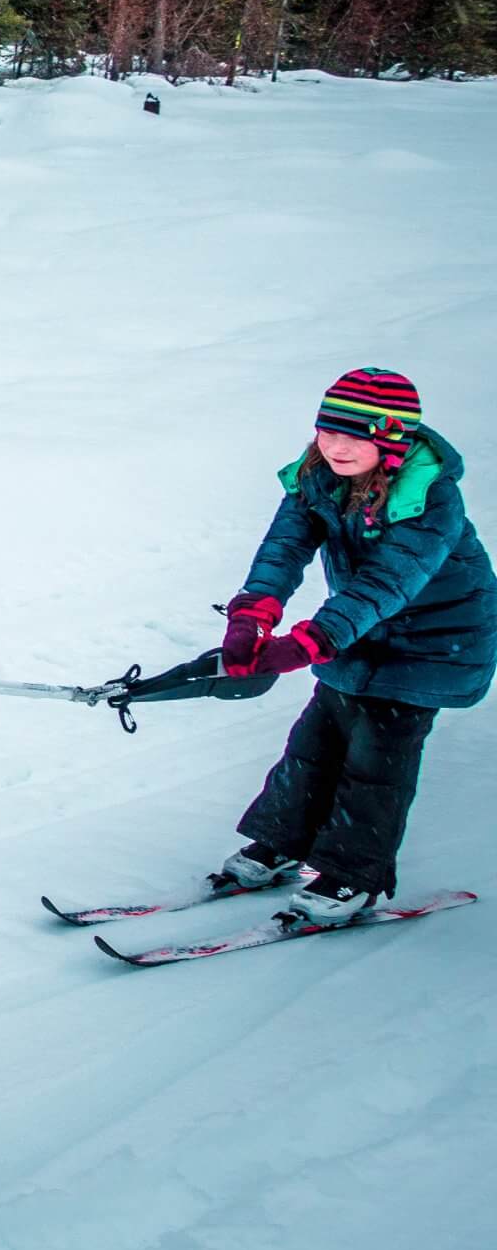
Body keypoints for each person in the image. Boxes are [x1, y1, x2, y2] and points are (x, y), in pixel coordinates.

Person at [212, 368, 493, 921]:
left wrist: (310, 641)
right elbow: (283, 549)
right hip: (362, 628)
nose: (336, 445)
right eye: (327, 430)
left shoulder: (431, 497)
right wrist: (252, 615)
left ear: (390, 438)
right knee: (317, 737)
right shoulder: (316, 476)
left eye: (355, 434)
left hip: (437, 640)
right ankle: (282, 842)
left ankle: (351, 875)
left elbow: (388, 580)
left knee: (377, 756)